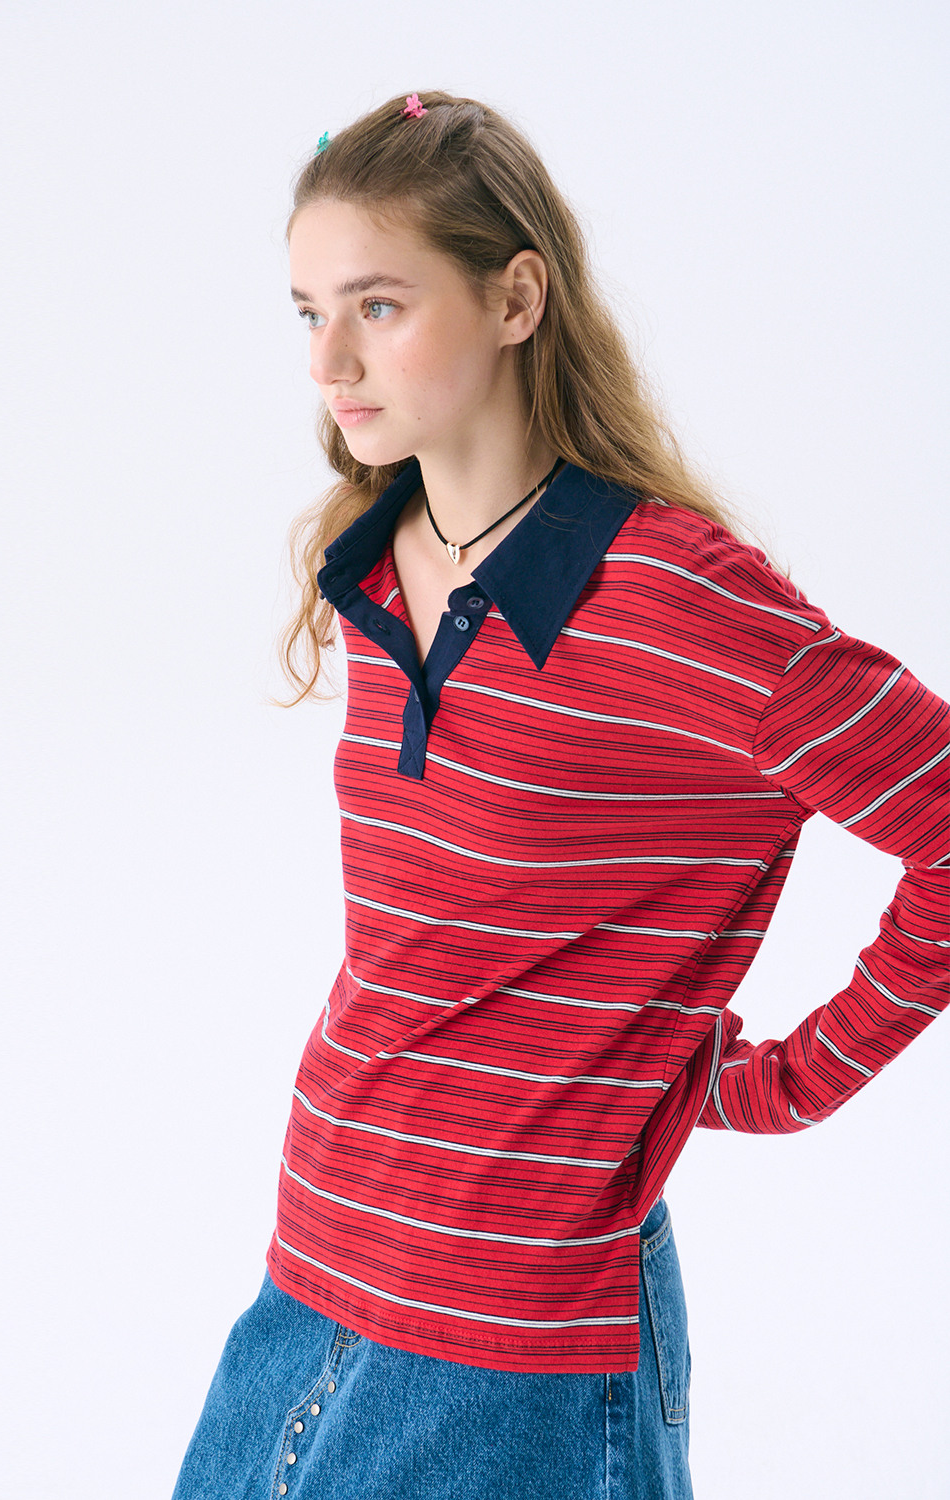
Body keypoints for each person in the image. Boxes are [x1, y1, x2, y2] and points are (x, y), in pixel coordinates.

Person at [169, 91, 949, 1500]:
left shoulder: (676, 596)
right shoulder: (370, 558)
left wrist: (781, 1081)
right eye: (308, 313)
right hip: (313, 1269)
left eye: (379, 305)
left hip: (521, 1334)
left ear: (517, 298)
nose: (330, 361)